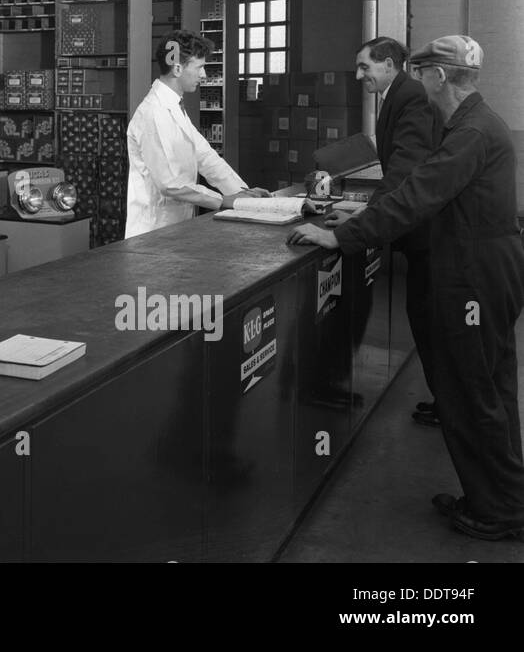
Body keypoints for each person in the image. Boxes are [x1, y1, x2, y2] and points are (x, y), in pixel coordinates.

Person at [290, 35, 524, 541]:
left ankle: (499, 510)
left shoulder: (470, 134)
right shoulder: (475, 124)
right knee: (489, 386)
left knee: (471, 390)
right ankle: (502, 496)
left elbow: (418, 193)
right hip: (484, 267)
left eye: (422, 73)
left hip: (472, 275)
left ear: (438, 76)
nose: (419, 82)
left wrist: (341, 234)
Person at [346, 37, 442, 426]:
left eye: (365, 67)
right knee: (423, 315)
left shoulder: (411, 98)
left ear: (388, 64)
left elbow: (404, 170)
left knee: (430, 318)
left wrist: (366, 218)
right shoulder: (397, 95)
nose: (359, 75)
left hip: (428, 235)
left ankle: (449, 404)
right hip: (419, 232)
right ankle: (446, 400)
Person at [125, 30, 267, 238]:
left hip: (174, 229)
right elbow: (170, 184)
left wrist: (241, 193)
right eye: (199, 67)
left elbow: (205, 157)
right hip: (152, 231)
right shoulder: (154, 113)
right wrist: (222, 200)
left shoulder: (174, 107)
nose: (204, 75)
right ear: (177, 68)